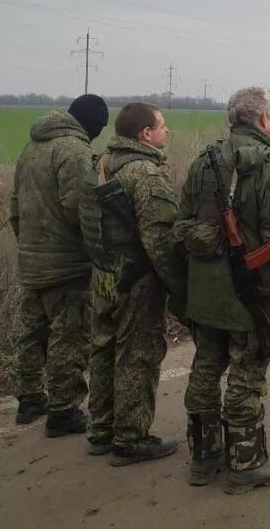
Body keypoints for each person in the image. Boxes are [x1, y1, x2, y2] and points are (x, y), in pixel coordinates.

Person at [174, 87, 270, 494]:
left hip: (204, 291)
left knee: (206, 363)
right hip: (251, 291)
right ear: (264, 119)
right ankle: (246, 464)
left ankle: (204, 457)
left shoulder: (204, 160)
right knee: (247, 371)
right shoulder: (269, 163)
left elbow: (180, 224)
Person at [81, 103, 187, 466]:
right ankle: (131, 438)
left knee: (104, 349)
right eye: (162, 125)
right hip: (135, 278)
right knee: (137, 354)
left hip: (104, 275)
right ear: (145, 134)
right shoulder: (144, 172)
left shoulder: (102, 164)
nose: (167, 131)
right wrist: (180, 289)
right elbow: (159, 238)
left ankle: (101, 430)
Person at [9, 94, 107, 435]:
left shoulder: (31, 147)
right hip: (67, 264)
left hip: (33, 259)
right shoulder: (76, 152)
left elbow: (15, 206)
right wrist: (99, 255)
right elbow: (81, 210)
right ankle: (64, 411)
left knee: (32, 332)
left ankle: (29, 398)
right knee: (70, 336)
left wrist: (28, 244)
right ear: (92, 125)